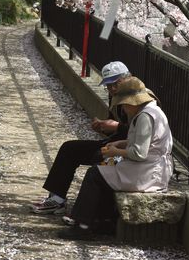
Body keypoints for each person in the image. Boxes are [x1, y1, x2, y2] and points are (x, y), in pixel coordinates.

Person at [58, 76, 173, 240]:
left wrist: (115, 152)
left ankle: (82, 225)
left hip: (146, 173)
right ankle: (103, 222)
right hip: (152, 170)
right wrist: (122, 143)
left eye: (124, 105)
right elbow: (146, 143)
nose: (124, 110)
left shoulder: (145, 118)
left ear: (131, 102)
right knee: (104, 173)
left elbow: (140, 153)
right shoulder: (153, 111)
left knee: (95, 174)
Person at [30, 61, 131, 214]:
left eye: (115, 84)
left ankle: (86, 216)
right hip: (114, 144)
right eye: (108, 85)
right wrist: (104, 127)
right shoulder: (115, 97)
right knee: (70, 148)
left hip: (129, 152)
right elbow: (116, 127)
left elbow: (141, 133)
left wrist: (116, 127)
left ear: (127, 79)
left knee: (99, 158)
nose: (112, 89)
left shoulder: (140, 99)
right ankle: (57, 199)